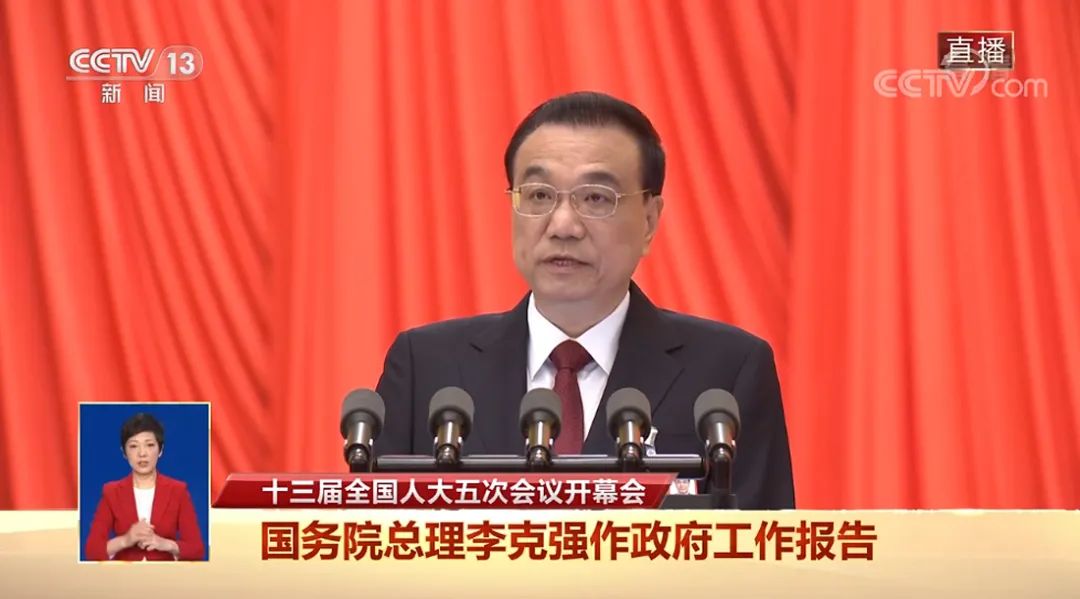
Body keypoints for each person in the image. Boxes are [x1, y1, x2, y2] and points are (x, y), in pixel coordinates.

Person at [374, 91, 795, 509]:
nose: (563, 226)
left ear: (649, 221)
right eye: (539, 195)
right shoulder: (427, 368)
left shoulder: (726, 372)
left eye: (596, 198)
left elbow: (768, 543)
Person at [84, 413, 205, 560]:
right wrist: (126, 540)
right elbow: (92, 550)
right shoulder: (111, 492)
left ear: (160, 450)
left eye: (150, 445)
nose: (142, 453)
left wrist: (165, 544)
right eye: (134, 446)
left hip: (164, 573)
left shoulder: (178, 491)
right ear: (124, 453)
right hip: (124, 573)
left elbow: (197, 549)